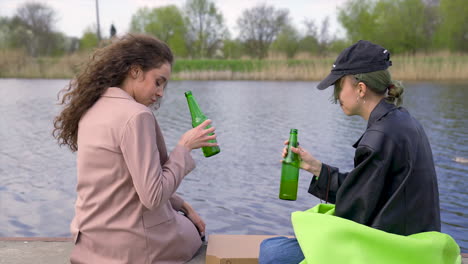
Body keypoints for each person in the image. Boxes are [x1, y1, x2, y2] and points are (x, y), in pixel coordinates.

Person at [259, 40, 441, 264]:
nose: (336, 97)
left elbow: (353, 211)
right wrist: (315, 168)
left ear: (360, 89)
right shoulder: (402, 121)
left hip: (391, 251)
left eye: (338, 86)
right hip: (412, 242)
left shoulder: (379, 137)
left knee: (271, 252)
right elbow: (366, 193)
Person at [53, 34, 217, 264]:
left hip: (89, 240)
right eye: (158, 81)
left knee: (181, 216)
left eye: (164, 85)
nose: (160, 92)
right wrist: (184, 147)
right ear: (135, 71)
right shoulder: (136, 116)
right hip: (131, 246)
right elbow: (153, 196)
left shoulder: (92, 107)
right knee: (195, 231)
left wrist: (181, 204)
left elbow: (123, 182)